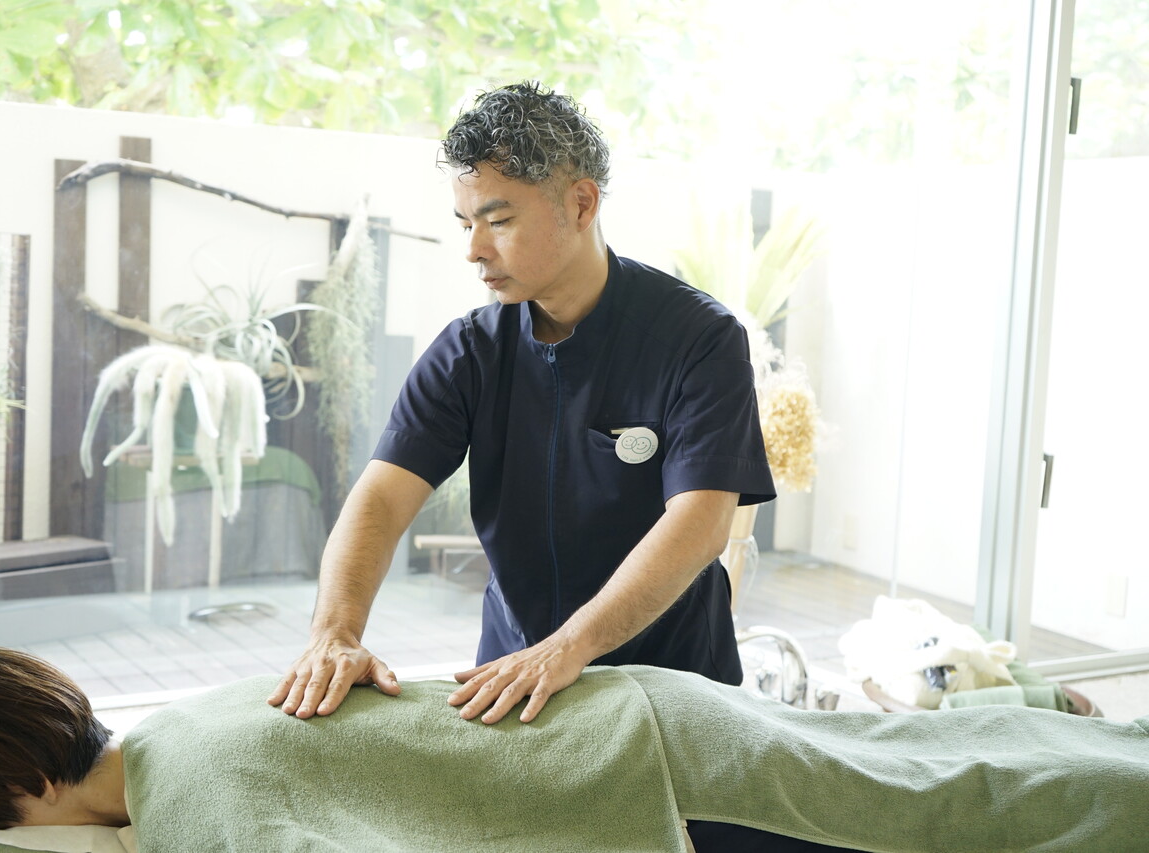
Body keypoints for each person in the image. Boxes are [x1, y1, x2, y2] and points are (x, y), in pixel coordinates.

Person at [270, 81, 776, 731]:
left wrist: (568, 648)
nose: (474, 249)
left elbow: (701, 525)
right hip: (515, 682)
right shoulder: (469, 352)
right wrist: (334, 633)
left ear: (581, 203)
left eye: (499, 220)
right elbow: (381, 499)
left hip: (670, 686)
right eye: (466, 224)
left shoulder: (699, 338)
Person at [0, 648, 1148, 853]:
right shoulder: (192, 716)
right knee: (899, 755)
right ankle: (1051, 704)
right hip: (634, 711)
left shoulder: (201, 815)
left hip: (656, 785)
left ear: (25, 786)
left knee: (950, 810)